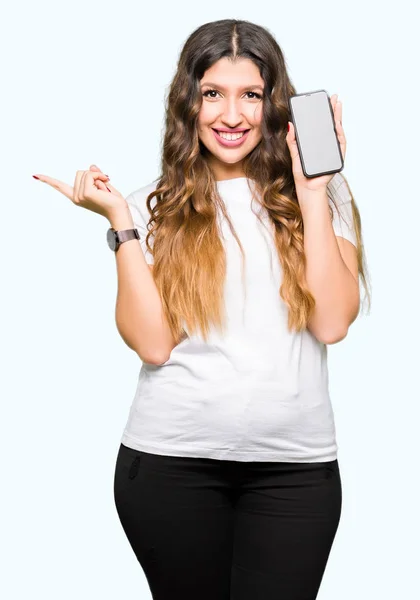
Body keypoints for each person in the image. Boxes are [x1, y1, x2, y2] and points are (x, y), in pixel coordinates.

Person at [33, 18, 371, 600]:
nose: (232, 115)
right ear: (188, 102)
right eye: (213, 93)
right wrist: (122, 224)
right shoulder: (150, 206)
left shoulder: (323, 193)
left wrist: (313, 192)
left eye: (252, 95)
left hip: (295, 473)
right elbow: (153, 345)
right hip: (170, 468)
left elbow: (332, 322)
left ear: (275, 105)